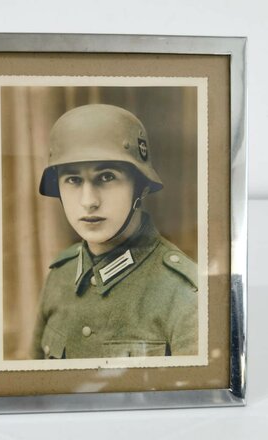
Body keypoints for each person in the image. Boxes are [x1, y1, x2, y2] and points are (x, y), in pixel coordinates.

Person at [31, 103, 198, 360]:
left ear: (141, 187)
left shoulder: (183, 292)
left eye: (107, 177)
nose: (88, 201)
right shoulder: (61, 276)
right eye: (73, 180)